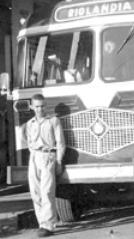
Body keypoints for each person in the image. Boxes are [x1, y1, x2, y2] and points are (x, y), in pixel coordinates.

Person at [25, 94, 66, 237]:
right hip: (35, 156)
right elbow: (29, 142)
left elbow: (60, 143)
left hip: (49, 156)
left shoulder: (53, 121)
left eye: (42, 106)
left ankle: (48, 225)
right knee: (35, 192)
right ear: (32, 107)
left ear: (46, 106)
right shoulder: (30, 124)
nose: (39, 109)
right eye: (36, 106)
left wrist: (59, 161)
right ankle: (41, 222)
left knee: (47, 191)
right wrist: (34, 155)